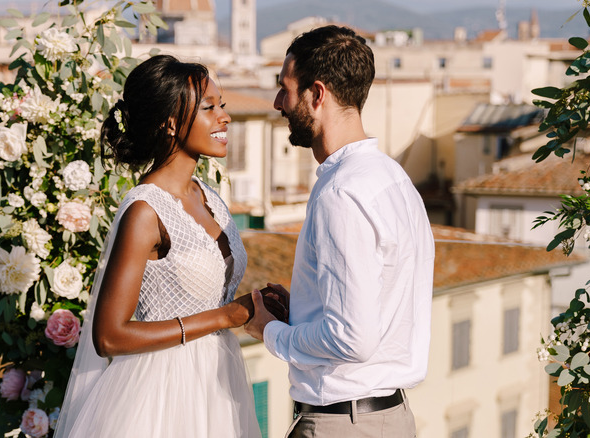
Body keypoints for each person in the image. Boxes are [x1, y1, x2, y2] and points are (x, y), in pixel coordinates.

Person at [53, 55, 280, 438]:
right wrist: (225, 317)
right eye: (209, 108)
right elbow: (109, 335)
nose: (224, 117)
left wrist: (256, 304)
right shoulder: (145, 210)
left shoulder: (210, 196)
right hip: (159, 393)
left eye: (221, 105)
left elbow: (201, 295)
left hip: (218, 382)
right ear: (171, 123)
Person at [244, 26, 435, 438]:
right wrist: (306, 308)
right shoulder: (394, 179)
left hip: (344, 424)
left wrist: (270, 331)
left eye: (285, 88)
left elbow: (353, 338)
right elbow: (374, 307)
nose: (278, 102)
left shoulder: (341, 192)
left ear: (317, 95)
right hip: (386, 419)